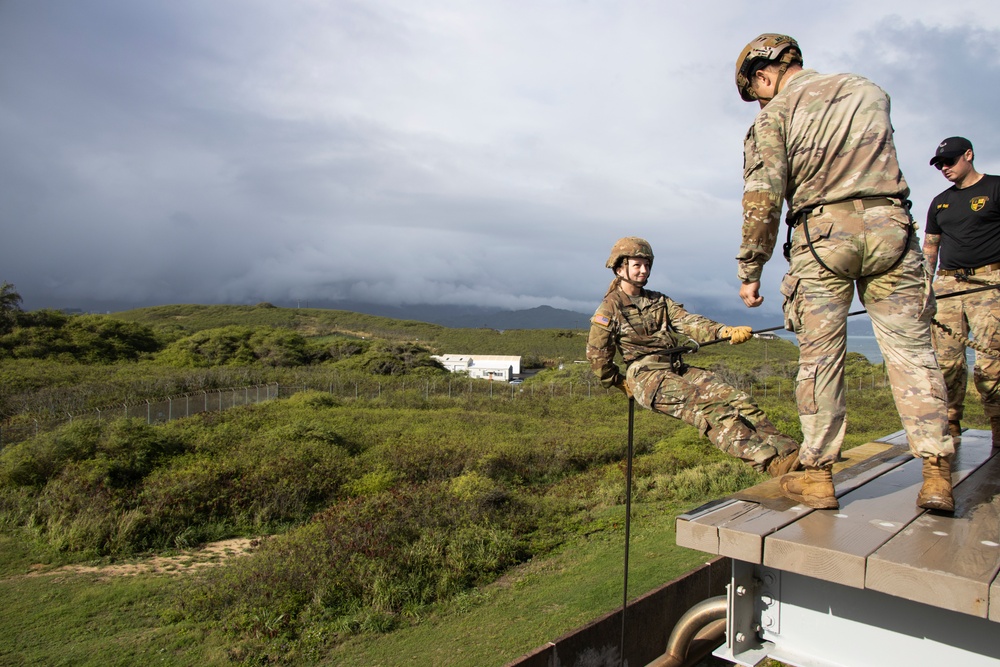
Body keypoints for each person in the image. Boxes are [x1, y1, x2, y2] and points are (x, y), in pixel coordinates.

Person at [733, 33, 955, 510]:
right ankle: (937, 473)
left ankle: (817, 477)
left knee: (820, 360)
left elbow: (764, 195)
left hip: (823, 236)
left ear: (763, 75)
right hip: (891, 228)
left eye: (755, 91)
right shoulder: (868, 89)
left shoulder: (775, 115)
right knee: (913, 354)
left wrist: (751, 267)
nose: (758, 101)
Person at [586, 236, 802, 477]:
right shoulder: (610, 308)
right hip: (647, 376)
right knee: (711, 409)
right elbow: (597, 355)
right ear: (619, 268)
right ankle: (771, 462)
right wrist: (619, 382)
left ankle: (790, 452)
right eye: (636, 265)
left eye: (646, 265)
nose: (643, 270)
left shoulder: (658, 300)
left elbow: (688, 322)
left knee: (740, 401)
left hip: (675, 367)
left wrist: (724, 331)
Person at [923, 136, 1000, 446]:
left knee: (992, 362)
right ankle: (951, 424)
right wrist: (924, 287)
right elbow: (931, 247)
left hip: (990, 283)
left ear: (969, 155)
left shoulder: (995, 188)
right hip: (947, 285)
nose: (945, 168)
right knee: (947, 363)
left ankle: (997, 424)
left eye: (950, 161)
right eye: (940, 163)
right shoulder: (940, 202)